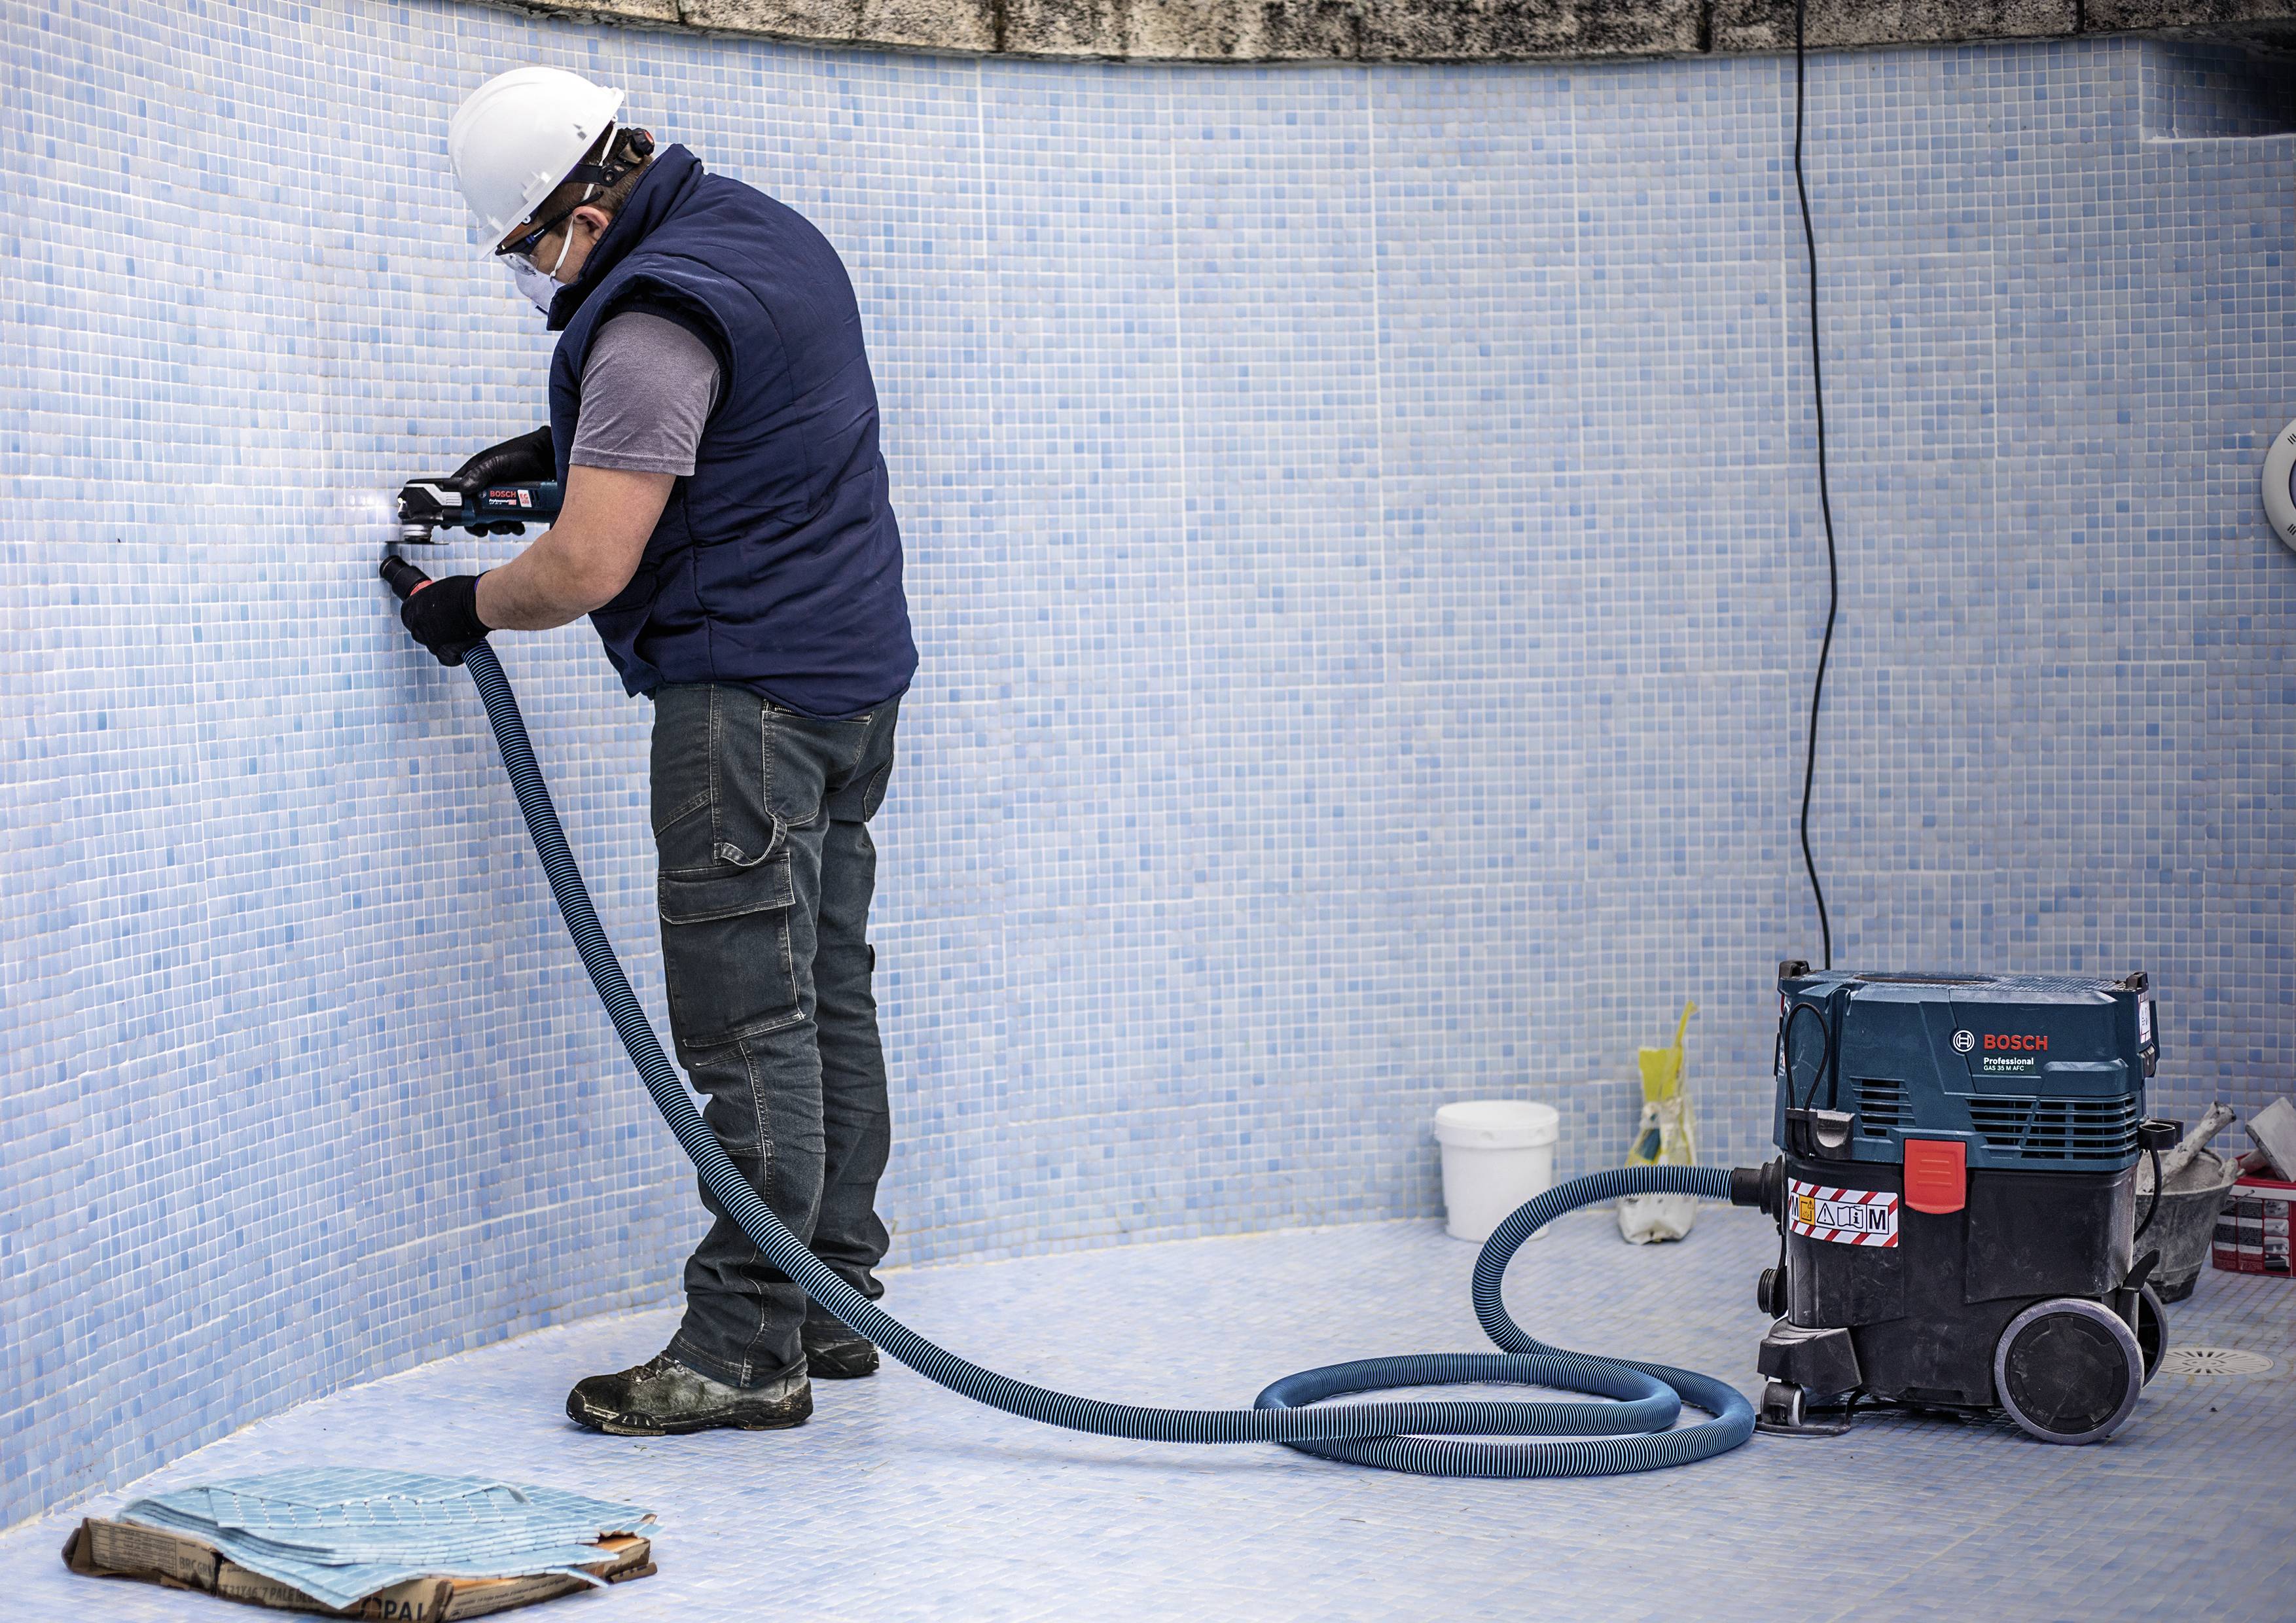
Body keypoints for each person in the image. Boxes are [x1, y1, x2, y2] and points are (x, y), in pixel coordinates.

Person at [401, 66, 917, 1436]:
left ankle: (746, 1347)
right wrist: (559, 448)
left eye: (522, 245)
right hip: (851, 682)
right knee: (822, 988)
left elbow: (583, 562)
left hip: (740, 701)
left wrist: (460, 603)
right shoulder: (757, 231)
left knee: (747, 1021)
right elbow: (727, 436)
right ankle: (830, 1296)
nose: (527, 270)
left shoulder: (642, 330)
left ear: (573, 210)